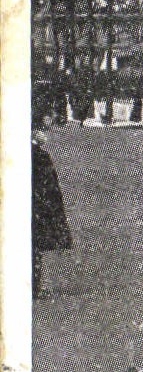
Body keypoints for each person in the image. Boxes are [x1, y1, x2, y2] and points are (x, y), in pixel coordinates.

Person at [32, 101, 72, 298]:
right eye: (49, 114)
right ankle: (33, 286)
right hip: (36, 204)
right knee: (34, 244)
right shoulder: (38, 154)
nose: (53, 118)